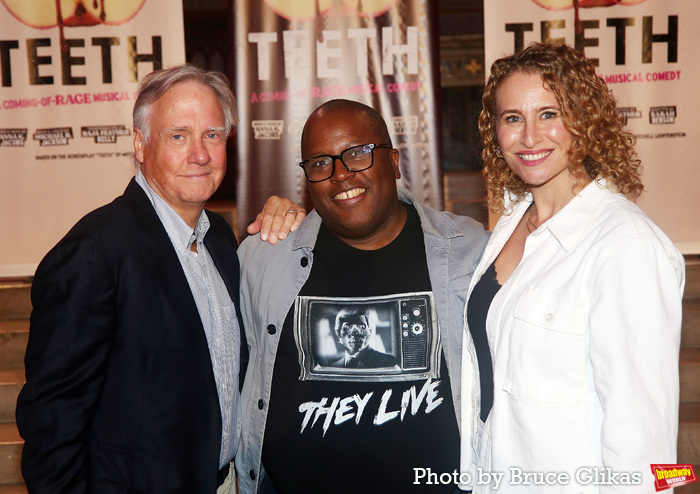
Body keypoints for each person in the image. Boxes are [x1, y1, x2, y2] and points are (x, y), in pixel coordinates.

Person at [16, 64, 304, 494]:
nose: (200, 154)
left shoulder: (221, 239)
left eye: (212, 135)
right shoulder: (94, 253)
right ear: (139, 142)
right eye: (178, 135)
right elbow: (52, 428)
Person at [458, 43, 685, 493]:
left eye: (549, 114)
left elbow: (645, 440)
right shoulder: (510, 223)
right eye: (512, 118)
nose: (529, 137)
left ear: (585, 121)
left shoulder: (627, 246)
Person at [235, 99, 488, 493]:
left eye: (357, 153)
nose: (339, 174)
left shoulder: (471, 250)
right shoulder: (263, 258)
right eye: (320, 162)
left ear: (394, 160)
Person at [330, 306, 398, 368]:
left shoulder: (389, 362)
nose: (355, 333)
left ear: (370, 331)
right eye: (347, 327)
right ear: (338, 333)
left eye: (361, 326)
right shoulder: (334, 367)